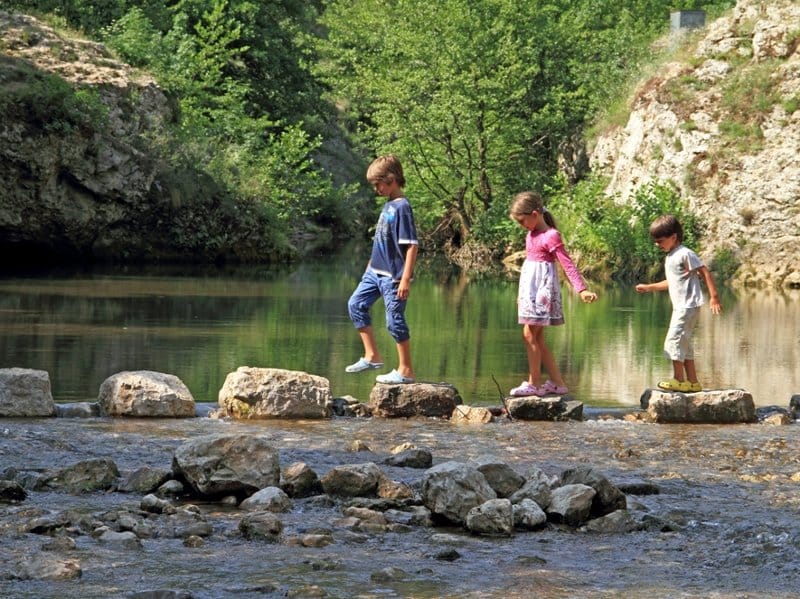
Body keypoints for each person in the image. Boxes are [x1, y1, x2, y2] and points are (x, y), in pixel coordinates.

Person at [508, 191, 597, 397]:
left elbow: (567, 264)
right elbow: (530, 268)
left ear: (535, 214)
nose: (522, 225)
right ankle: (557, 383)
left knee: (529, 334)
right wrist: (522, 296)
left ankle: (534, 384)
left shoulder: (551, 236)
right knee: (537, 338)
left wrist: (581, 289)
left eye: (522, 221)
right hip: (530, 292)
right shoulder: (531, 235)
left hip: (542, 293)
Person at [346, 154, 419, 384]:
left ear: (391, 179)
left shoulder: (403, 207)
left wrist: (405, 279)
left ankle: (406, 370)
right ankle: (372, 356)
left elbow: (412, 245)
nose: (376, 189)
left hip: (394, 277)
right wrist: (371, 263)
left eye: (378, 184)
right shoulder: (389, 205)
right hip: (375, 271)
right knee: (356, 304)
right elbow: (383, 240)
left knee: (394, 320)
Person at [635, 214, 722, 392]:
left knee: (673, 341)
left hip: (687, 306)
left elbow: (704, 272)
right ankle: (693, 382)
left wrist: (714, 296)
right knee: (684, 343)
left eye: (660, 241)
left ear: (673, 237)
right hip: (681, 307)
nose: (657, 245)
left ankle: (678, 380)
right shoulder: (671, 256)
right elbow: (673, 282)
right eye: (656, 241)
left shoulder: (685, 254)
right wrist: (650, 287)